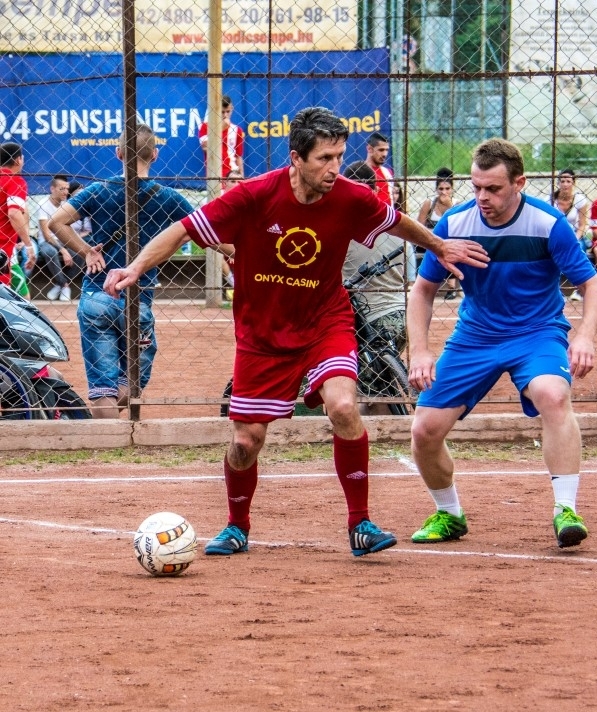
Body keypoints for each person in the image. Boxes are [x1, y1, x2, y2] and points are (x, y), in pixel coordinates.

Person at [99, 106, 488, 559]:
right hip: (262, 334)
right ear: (296, 159)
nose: (335, 168)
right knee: (245, 442)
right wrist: (135, 267)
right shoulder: (254, 195)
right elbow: (182, 231)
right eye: (324, 158)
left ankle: (360, 524)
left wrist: (439, 245)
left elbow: (396, 222)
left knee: (344, 406)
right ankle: (237, 526)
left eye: (339, 156)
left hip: (325, 321)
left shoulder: (349, 196)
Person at [407, 138, 597, 549]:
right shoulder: (454, 224)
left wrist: (585, 335)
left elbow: (592, 285)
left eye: (493, 188)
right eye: (476, 187)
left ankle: (566, 510)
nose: (483, 197)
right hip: (475, 337)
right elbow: (422, 290)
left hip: (537, 332)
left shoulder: (548, 223)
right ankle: (449, 514)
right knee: (424, 429)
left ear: (519, 183)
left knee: (553, 395)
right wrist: (421, 350)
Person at [49, 124, 195, 418]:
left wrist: (87, 251)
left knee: (102, 386)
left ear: (118, 153)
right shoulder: (168, 197)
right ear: (154, 154)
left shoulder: (99, 190)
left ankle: (105, 434)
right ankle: (118, 421)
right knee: (129, 382)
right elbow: (209, 231)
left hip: (97, 292)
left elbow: (56, 222)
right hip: (138, 297)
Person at [342, 161, 407, 413]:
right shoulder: (397, 225)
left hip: (370, 322)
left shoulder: (344, 231)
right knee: (381, 384)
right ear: (376, 189)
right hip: (403, 316)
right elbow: (409, 277)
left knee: (364, 391)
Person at [36, 174, 86, 302]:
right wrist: (63, 251)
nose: (65, 192)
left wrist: (71, 244)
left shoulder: (67, 204)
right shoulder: (43, 204)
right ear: (52, 189)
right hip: (47, 241)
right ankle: (64, 285)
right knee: (50, 252)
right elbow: (47, 235)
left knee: (80, 254)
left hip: (63, 239)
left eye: (67, 188)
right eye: (62, 189)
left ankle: (62, 284)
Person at [417, 168, 459, 298]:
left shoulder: (457, 204)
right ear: (436, 189)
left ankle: (451, 287)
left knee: (451, 247)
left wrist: (450, 206)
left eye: (447, 189)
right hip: (429, 241)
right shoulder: (429, 203)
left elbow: (459, 227)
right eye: (441, 189)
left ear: (452, 189)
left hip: (449, 241)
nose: (444, 192)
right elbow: (419, 226)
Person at [549, 169, 591, 301]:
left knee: (580, 249)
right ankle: (553, 290)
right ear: (558, 183)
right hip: (555, 235)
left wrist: (574, 239)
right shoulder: (550, 200)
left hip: (575, 235)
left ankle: (579, 289)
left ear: (573, 183)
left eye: (568, 181)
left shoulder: (580, 200)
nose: (565, 184)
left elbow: (582, 225)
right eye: (562, 181)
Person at [0, 142, 35, 287]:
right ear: (18, 160)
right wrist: (29, 245)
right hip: (2, 248)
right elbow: (14, 213)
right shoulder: (15, 181)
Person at [199, 94, 245, 179]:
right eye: (222, 112)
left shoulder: (237, 130)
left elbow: (238, 156)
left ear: (232, 109)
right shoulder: (205, 127)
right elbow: (206, 147)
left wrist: (242, 176)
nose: (225, 115)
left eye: (228, 111)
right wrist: (221, 128)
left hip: (233, 174)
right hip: (214, 174)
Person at [364, 131, 394, 205]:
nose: (385, 154)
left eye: (387, 150)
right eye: (381, 150)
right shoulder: (360, 172)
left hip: (389, 211)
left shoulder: (388, 172)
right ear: (369, 149)